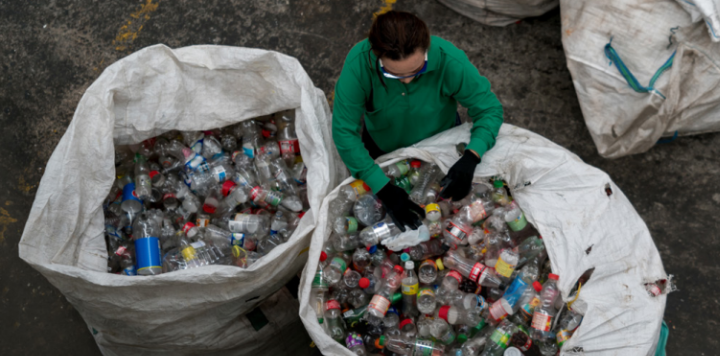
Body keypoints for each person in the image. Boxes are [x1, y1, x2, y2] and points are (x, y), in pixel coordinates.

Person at [332, 10, 503, 231]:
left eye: (418, 70)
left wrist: (472, 155)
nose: (407, 80)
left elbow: (488, 108)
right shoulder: (359, 65)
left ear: (426, 49)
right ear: (376, 55)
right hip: (383, 148)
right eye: (393, 75)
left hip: (441, 142)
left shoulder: (449, 60)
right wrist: (381, 187)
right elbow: (344, 132)